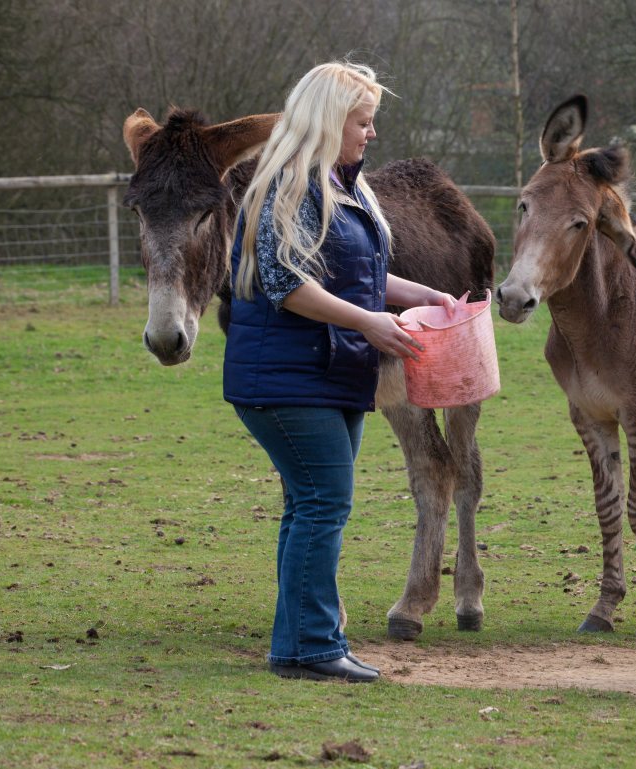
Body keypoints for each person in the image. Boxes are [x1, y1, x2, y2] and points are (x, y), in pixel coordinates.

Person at [223, 61, 458, 683]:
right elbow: (285, 284)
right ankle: (312, 647)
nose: (371, 134)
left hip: (326, 374)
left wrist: (421, 296)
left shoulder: (346, 184)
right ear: (330, 121)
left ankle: (303, 643)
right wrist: (369, 324)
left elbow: (359, 274)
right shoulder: (291, 185)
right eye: (363, 121)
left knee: (311, 506)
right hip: (288, 377)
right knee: (324, 503)